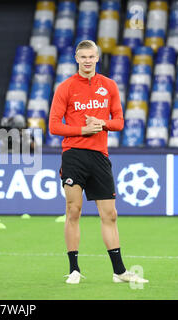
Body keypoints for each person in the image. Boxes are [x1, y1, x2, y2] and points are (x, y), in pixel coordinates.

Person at [49, 40, 148, 284]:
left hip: (99, 155)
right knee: (73, 211)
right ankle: (74, 269)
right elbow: (53, 126)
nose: (87, 60)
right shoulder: (65, 87)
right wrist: (83, 129)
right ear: (76, 58)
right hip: (73, 154)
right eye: (82, 57)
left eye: (91, 56)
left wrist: (102, 124)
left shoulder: (109, 86)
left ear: (97, 58)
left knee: (110, 214)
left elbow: (120, 122)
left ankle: (119, 272)